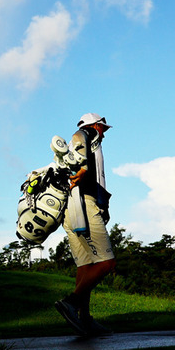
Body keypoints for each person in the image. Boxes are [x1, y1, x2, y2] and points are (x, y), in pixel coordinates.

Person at [54, 113, 116, 337]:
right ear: (96, 125)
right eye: (103, 128)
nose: (104, 133)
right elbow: (79, 136)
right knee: (106, 263)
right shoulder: (86, 134)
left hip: (70, 210)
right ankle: (70, 303)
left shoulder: (73, 146)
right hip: (85, 206)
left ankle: (85, 319)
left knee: (86, 265)